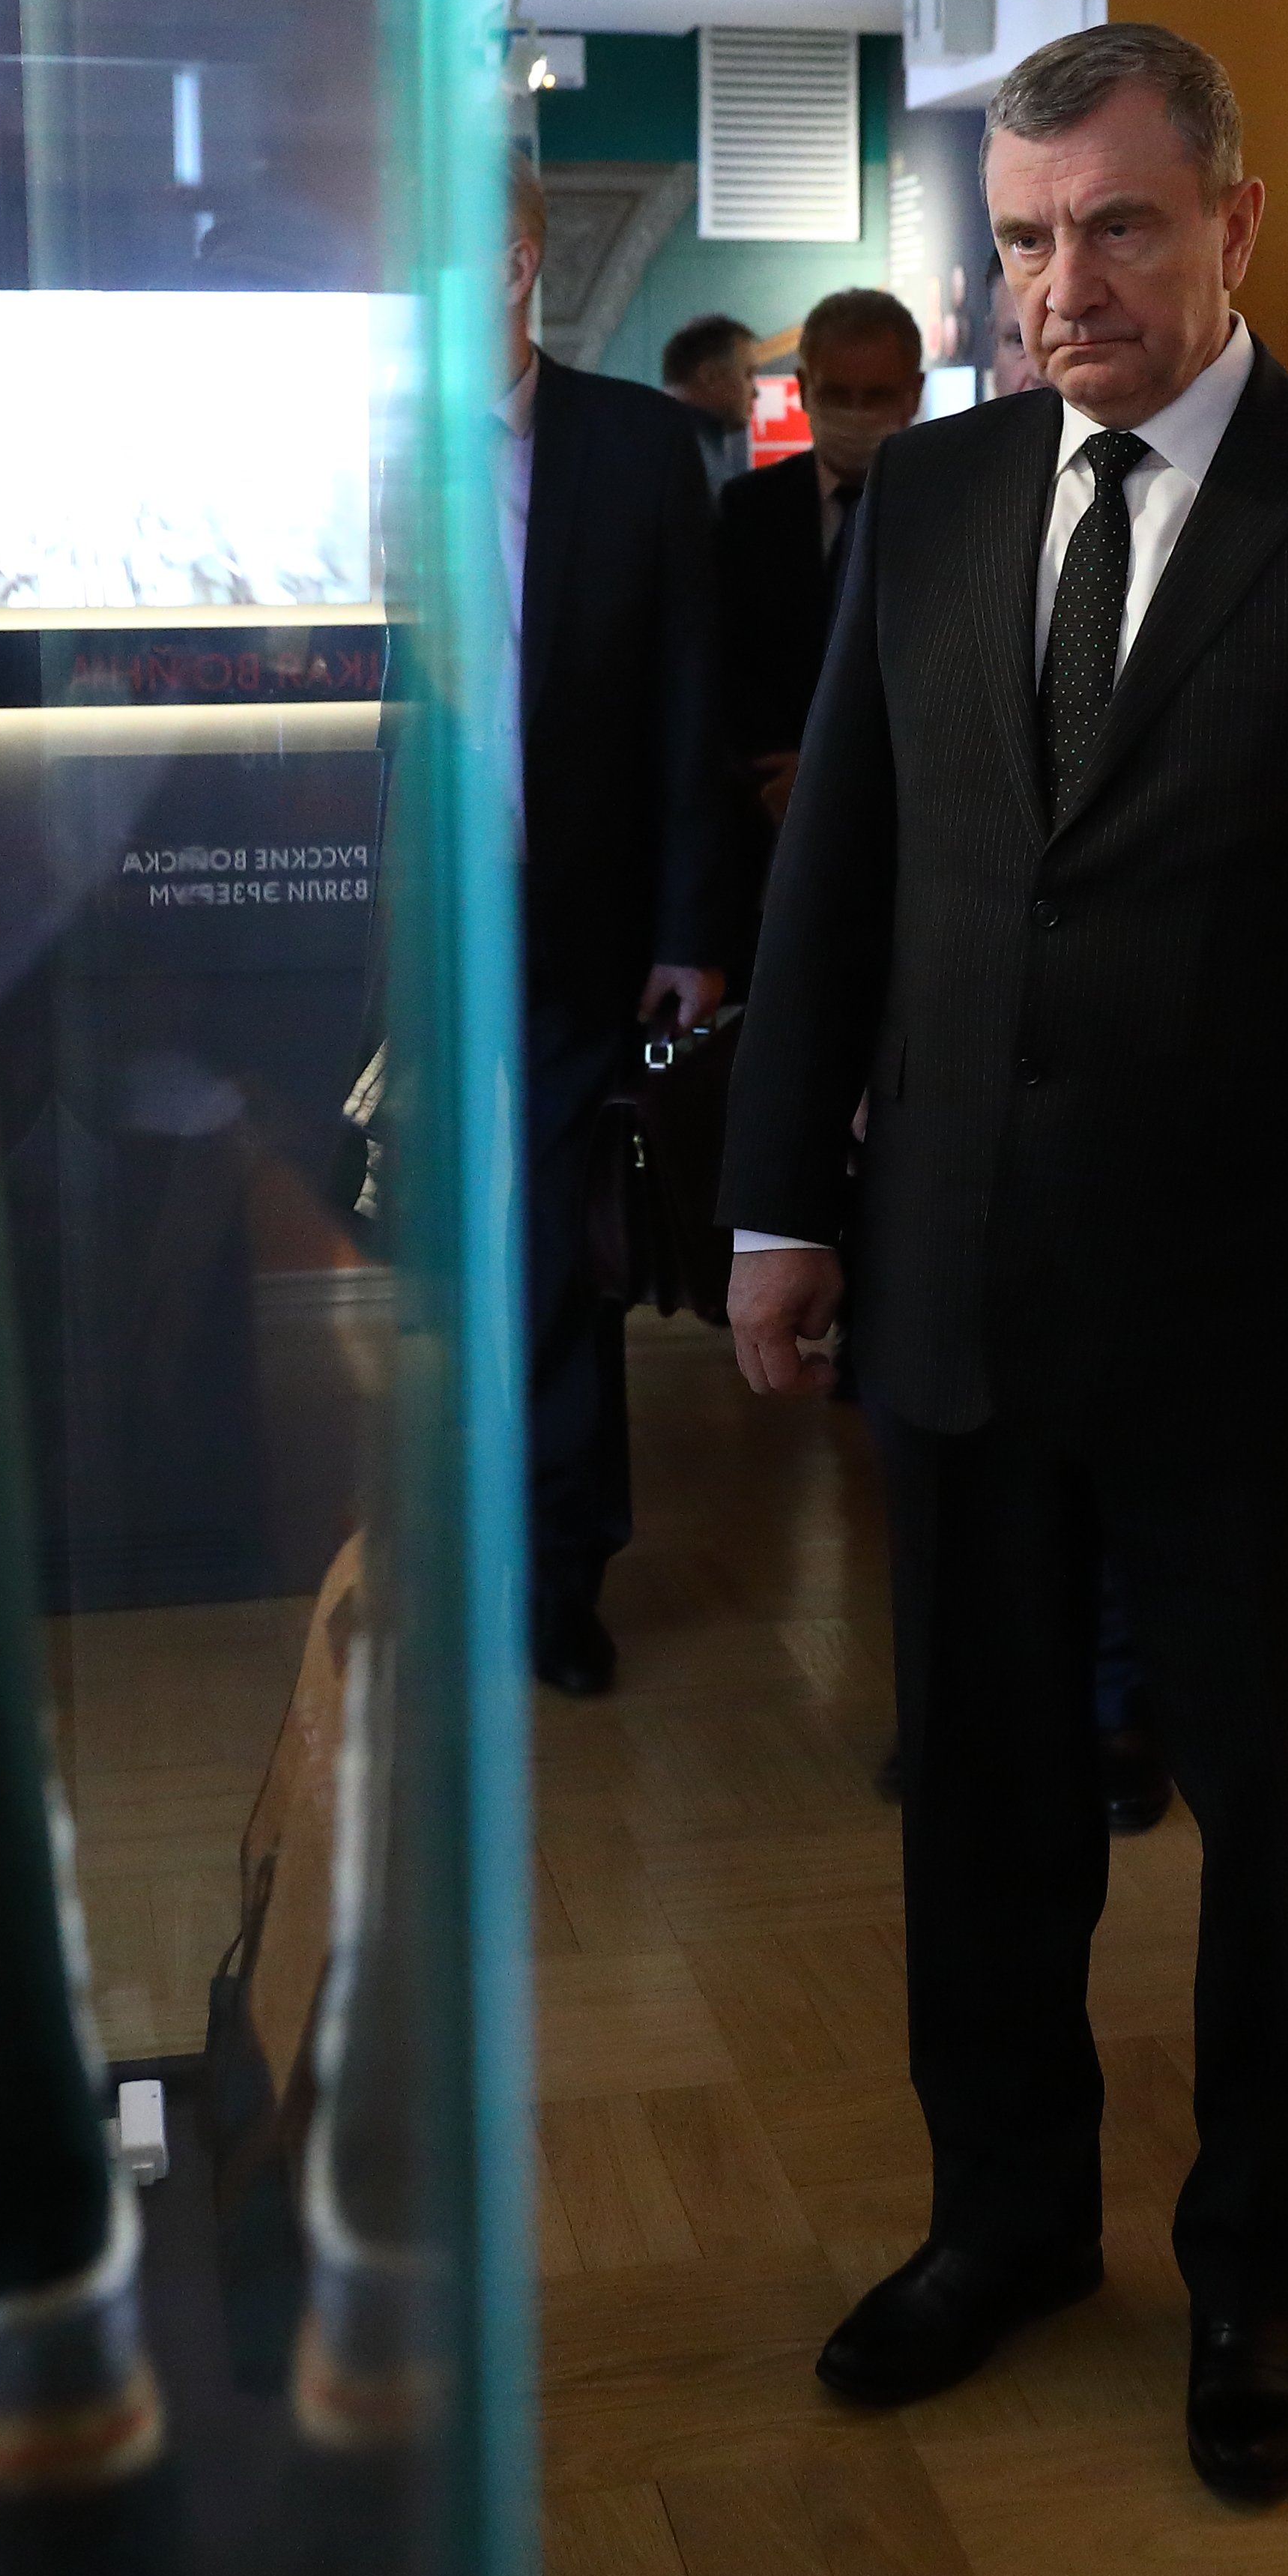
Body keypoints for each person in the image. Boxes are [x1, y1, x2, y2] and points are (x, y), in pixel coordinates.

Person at [720, 23, 1288, 2505]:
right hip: (957, 1290)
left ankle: (1255, 2267)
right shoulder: (933, 494)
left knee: (1277, 1830)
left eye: (1114, 227)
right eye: (1022, 238)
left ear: (1230, 223)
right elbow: (838, 875)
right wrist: (778, 1201)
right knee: (978, 1810)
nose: (1059, 284)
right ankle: (1003, 2217)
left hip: (1256, 1329)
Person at [506, 155, 737, 1696]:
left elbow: (688, 701)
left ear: (515, 258)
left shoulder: (635, 448)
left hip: (567, 926)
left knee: (552, 1261)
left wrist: (688, 926)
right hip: (370, 923)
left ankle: (554, 1574)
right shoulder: (352, 440)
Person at [713, 286, 929, 832]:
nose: (855, 414)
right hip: (766, 819)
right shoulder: (746, 511)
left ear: (914, 393)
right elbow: (722, 671)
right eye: (837, 394)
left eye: (875, 396)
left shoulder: (960, 513)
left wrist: (838, 777)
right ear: (803, 389)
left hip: (908, 820)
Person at [660, 312, 761, 492]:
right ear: (710, 377)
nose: (756, 392)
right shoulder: (688, 458)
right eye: (748, 375)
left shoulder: (649, 439)